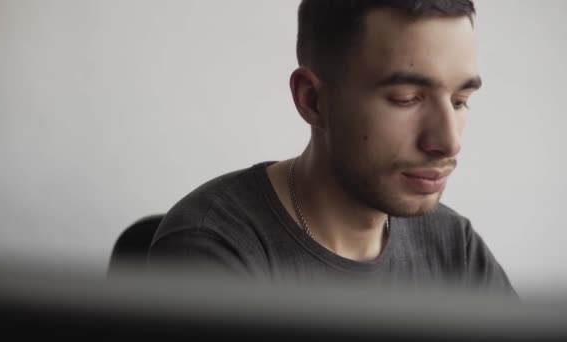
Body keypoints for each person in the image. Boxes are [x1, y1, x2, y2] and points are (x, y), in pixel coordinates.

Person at [148, 0, 516, 296]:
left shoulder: (454, 245)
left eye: (459, 100)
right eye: (406, 99)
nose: (449, 141)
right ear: (313, 101)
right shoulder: (213, 250)